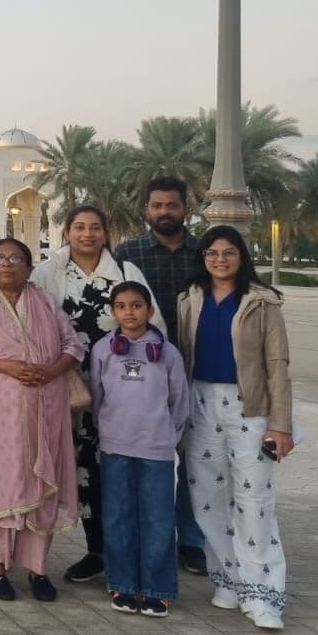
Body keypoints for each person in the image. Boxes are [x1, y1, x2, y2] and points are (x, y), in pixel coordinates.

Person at [32, 204, 163, 584]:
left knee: (118, 468)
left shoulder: (125, 273)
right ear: (66, 232)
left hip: (122, 391)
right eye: (79, 227)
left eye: (94, 227)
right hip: (68, 390)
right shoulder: (48, 273)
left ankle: (126, 552)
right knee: (82, 470)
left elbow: (153, 326)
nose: (87, 234)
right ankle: (96, 551)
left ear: (106, 233)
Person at [175, 225, 294, 630]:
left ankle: (263, 593)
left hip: (249, 409)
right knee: (206, 496)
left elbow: (277, 367)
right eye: (212, 253)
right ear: (203, 257)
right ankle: (229, 579)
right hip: (201, 404)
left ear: (241, 256)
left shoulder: (262, 303)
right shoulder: (189, 299)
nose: (220, 260)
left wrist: (281, 425)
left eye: (229, 252)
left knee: (254, 498)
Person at [0, 238, 83, 602]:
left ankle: (38, 570)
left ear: (29, 267)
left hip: (46, 407)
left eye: (15, 258)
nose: (6, 264)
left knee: (42, 484)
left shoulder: (44, 301)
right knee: (0, 485)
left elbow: (73, 346)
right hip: (0, 414)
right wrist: (6, 366)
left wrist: (50, 371)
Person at [113, 177, 207, 575]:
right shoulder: (128, 252)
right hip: (143, 370)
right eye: (157, 206)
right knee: (144, 456)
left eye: (171, 205)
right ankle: (140, 539)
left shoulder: (204, 252)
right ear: (146, 209)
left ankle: (191, 539)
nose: (164, 212)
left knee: (193, 457)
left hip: (197, 364)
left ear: (186, 208)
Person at [91, 281, 188, 617]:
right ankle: (123, 584)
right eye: (121, 306)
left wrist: (167, 436)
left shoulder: (168, 353)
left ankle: (158, 588)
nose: (129, 312)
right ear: (113, 312)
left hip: (157, 449)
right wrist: (107, 432)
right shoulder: (103, 349)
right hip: (115, 446)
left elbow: (179, 401)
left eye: (136, 305)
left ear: (149, 310)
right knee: (118, 517)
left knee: (158, 519)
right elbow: (96, 396)